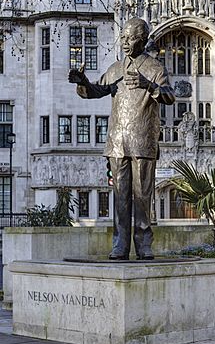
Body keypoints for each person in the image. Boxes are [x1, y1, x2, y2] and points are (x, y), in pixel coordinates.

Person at [68, 18, 175, 260]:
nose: (126, 43)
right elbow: (96, 92)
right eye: (123, 38)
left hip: (143, 141)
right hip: (117, 141)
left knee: (142, 197)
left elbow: (169, 97)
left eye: (131, 38)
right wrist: (83, 83)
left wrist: (149, 85)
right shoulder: (115, 69)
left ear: (143, 39)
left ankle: (144, 244)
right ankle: (120, 245)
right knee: (120, 198)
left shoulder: (155, 68)